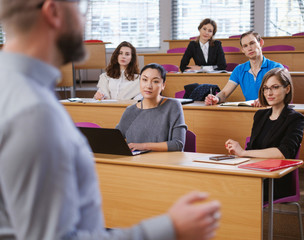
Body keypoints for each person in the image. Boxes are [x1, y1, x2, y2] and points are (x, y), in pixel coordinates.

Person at [0, 0, 221, 239]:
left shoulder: (15, 91)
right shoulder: (35, 112)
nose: (85, 22)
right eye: (81, 9)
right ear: (53, 11)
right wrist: (169, 228)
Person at [225, 68, 304, 200]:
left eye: (275, 87)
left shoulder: (296, 119)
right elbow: (252, 149)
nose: (269, 93)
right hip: (254, 172)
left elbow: (283, 153)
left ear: (287, 89)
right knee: (221, 183)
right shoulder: (260, 115)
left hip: (276, 179)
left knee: (231, 190)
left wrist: (243, 152)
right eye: (266, 88)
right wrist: (238, 152)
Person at [117, 63, 187, 152]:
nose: (148, 86)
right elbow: (116, 139)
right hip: (135, 163)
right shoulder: (130, 111)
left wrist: (143, 146)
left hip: (164, 162)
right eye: (144, 80)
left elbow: (178, 144)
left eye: (155, 81)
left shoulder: (173, 106)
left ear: (163, 85)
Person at [205, 30, 284, 107]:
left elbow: (281, 94)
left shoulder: (276, 68)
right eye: (245, 46)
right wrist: (216, 98)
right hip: (249, 112)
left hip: (272, 111)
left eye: (252, 43)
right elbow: (224, 93)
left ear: (261, 43)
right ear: (243, 50)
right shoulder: (239, 70)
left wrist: (264, 100)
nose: (249, 48)